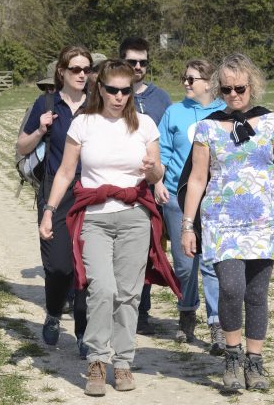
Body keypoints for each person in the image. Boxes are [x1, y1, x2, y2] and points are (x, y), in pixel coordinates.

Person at [42, 59, 179, 396]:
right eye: (113, 90)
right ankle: (96, 360)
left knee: (129, 294)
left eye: (125, 90)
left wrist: (153, 171)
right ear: (99, 89)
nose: (119, 96)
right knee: (101, 289)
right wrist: (49, 210)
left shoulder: (145, 125)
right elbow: (64, 172)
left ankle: (123, 362)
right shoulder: (83, 124)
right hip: (95, 218)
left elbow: (156, 172)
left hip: (134, 217)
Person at [181, 53, 274, 392]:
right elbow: (196, 179)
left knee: (256, 292)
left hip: (265, 220)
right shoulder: (207, 127)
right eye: (226, 89)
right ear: (218, 90)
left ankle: (255, 361)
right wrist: (186, 225)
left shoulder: (272, 123)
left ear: (252, 86)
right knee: (232, 287)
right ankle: (232, 356)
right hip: (221, 221)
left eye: (239, 88)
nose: (234, 95)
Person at [17, 46, 92, 358]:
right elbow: (22, 146)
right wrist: (40, 129)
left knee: (85, 267)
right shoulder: (45, 103)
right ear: (61, 72)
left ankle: (84, 332)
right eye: (75, 69)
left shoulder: (97, 104)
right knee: (59, 266)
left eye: (86, 69)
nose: (81, 75)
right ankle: (52, 312)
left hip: (90, 191)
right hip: (54, 192)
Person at [153, 59, 227, 351]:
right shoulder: (174, 113)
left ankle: (217, 324)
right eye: (185, 77)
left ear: (208, 83)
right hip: (175, 197)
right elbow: (162, 152)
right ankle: (186, 311)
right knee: (185, 265)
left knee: (211, 263)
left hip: (213, 201)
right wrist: (158, 182)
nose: (186, 83)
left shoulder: (223, 113)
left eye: (192, 79)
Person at [118, 36, 172, 336]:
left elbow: (168, 145)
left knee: (148, 249)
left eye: (143, 62)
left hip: (150, 187)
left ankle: (142, 311)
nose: (138, 67)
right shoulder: (109, 96)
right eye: (132, 62)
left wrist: (162, 178)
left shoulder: (160, 98)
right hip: (117, 187)